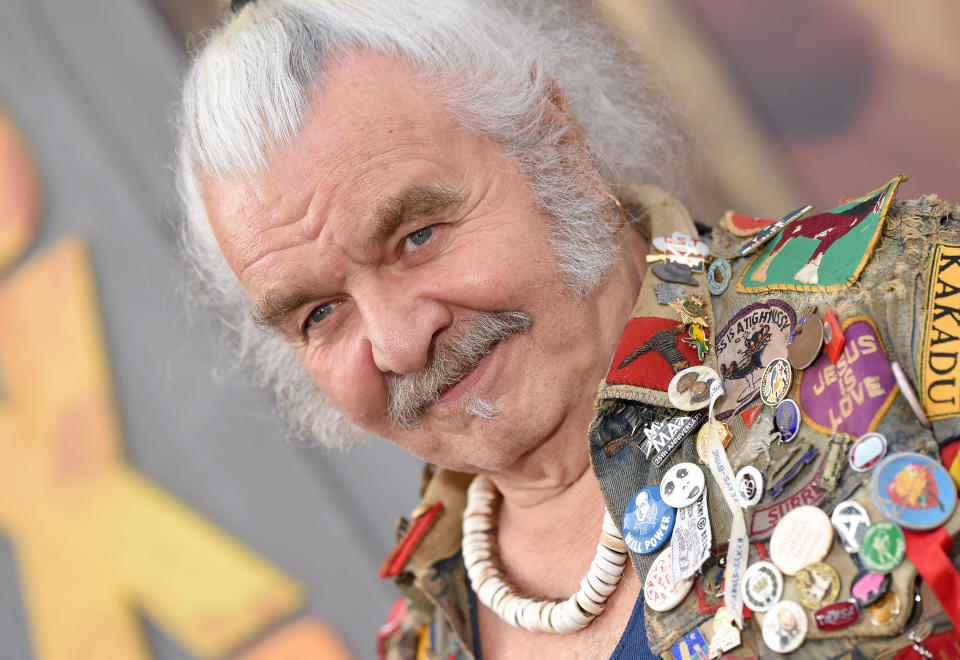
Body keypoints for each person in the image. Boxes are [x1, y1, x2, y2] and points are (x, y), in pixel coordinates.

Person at [176, 1, 960, 658]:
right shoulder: (422, 637)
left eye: (416, 236)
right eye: (319, 313)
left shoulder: (905, 305)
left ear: (557, 143)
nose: (397, 342)